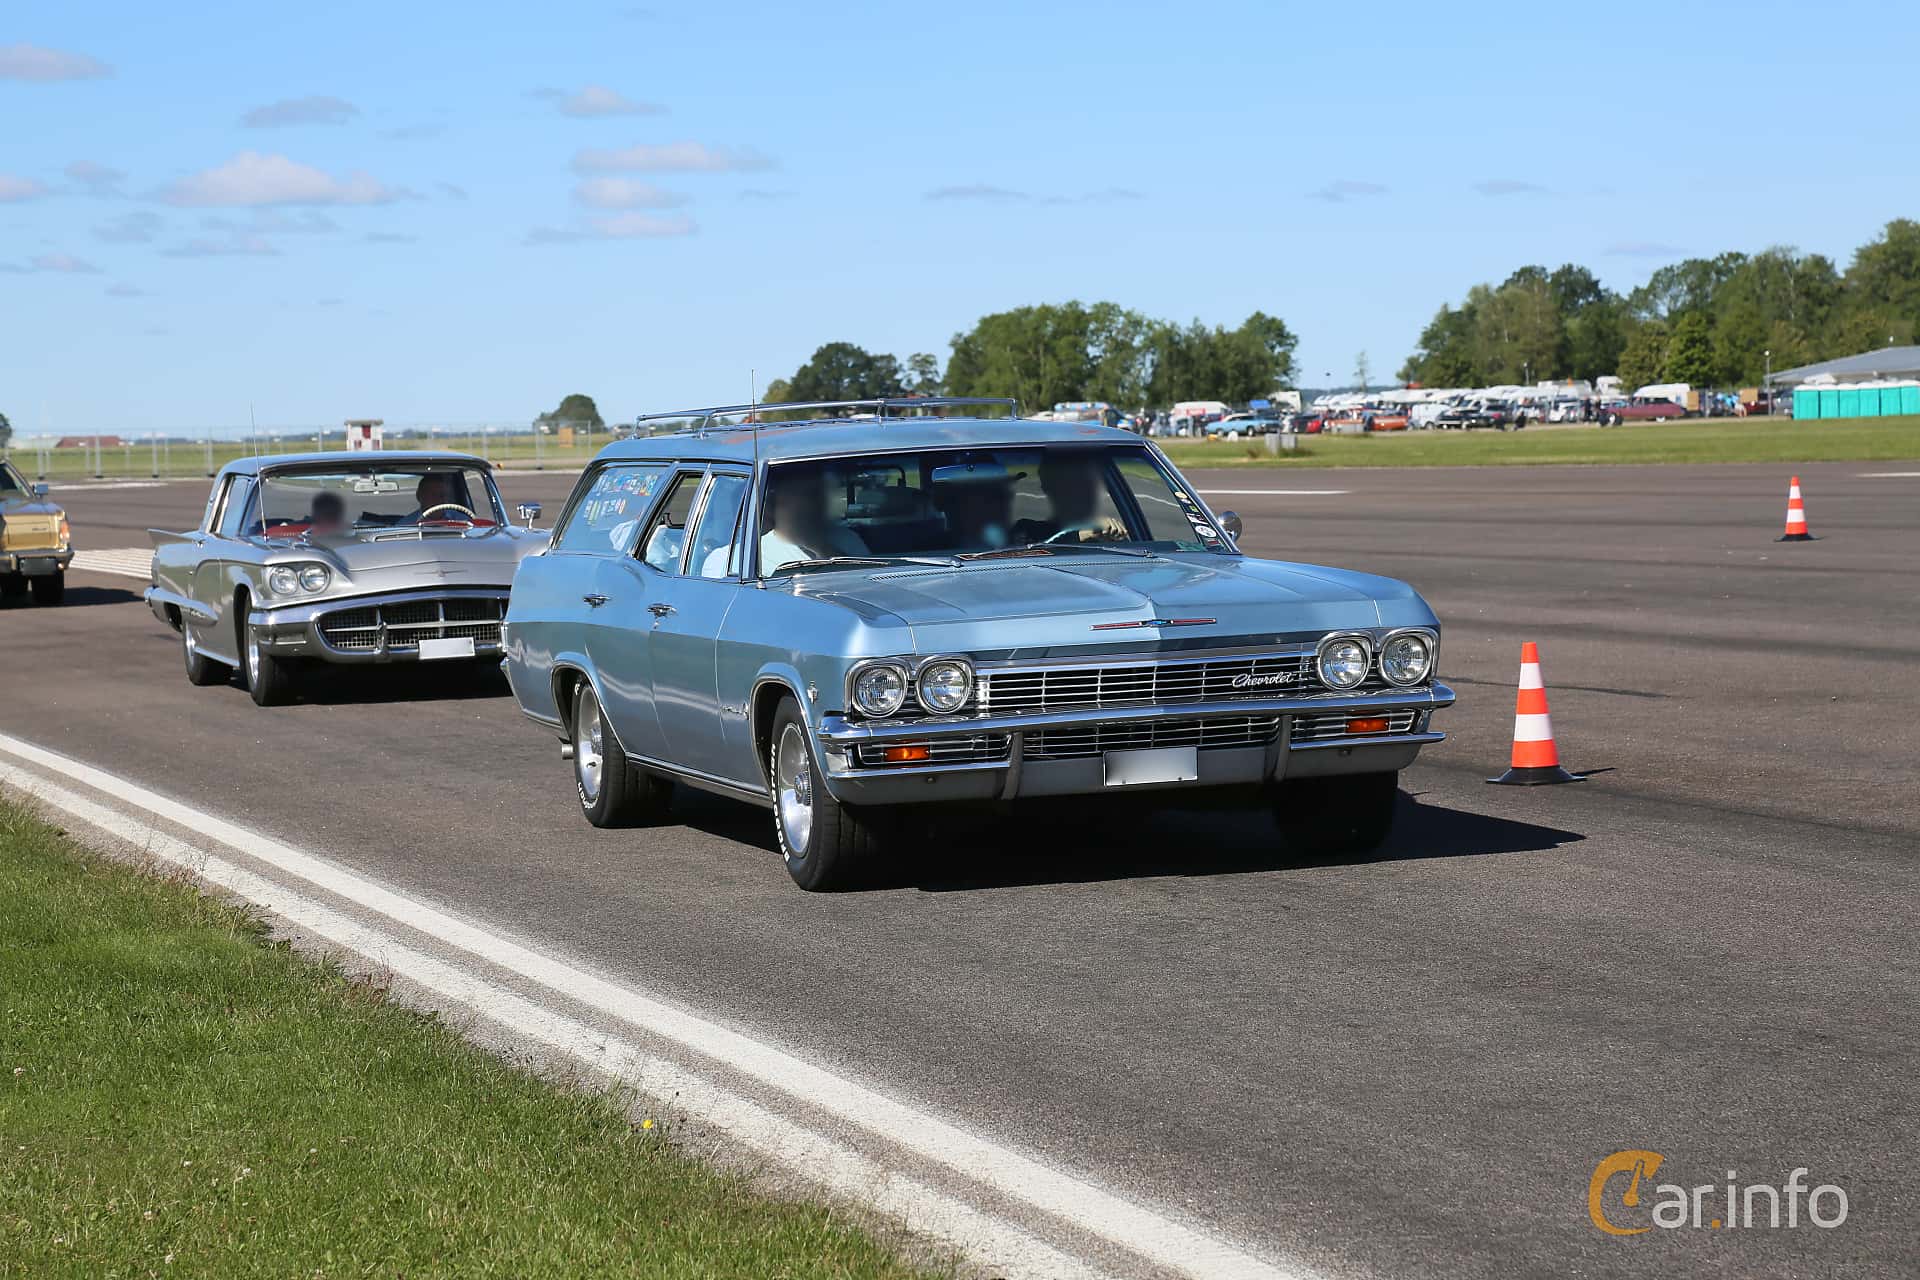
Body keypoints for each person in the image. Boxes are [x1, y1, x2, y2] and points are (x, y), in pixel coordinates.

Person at [758, 467, 867, 571]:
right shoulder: (755, 551)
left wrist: (819, 546)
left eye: (815, 495)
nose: (810, 504)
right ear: (778, 501)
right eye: (802, 495)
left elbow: (864, 579)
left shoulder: (846, 538)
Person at [1011, 453, 1128, 545]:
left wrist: (1114, 536)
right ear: (1048, 488)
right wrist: (1082, 535)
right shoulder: (1027, 530)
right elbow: (1023, 556)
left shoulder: (1109, 535)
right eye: (1067, 484)